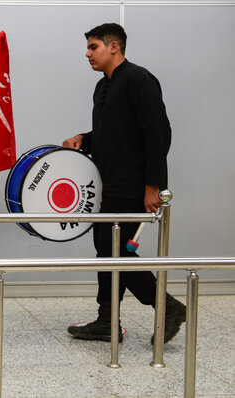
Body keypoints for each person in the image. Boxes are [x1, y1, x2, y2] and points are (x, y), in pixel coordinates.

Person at [63, 23, 186, 344]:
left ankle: (168, 307)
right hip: (108, 185)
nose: (87, 54)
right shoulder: (102, 86)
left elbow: (158, 134)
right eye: (88, 48)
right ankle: (108, 321)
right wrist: (83, 139)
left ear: (114, 47)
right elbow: (110, 135)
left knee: (114, 253)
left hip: (133, 187)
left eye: (93, 47)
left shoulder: (139, 80)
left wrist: (153, 186)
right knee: (105, 251)